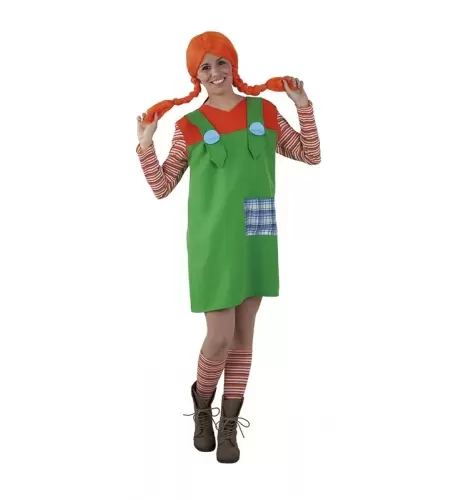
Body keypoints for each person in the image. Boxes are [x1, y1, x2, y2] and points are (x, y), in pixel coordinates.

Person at [135, 31, 321, 464]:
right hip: (212, 237)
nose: (215, 72)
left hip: (257, 228)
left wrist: (303, 106)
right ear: (195, 76)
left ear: (233, 64)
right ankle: (202, 404)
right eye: (205, 67)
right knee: (218, 337)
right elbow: (162, 186)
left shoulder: (264, 111)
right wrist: (145, 144)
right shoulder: (189, 126)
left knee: (242, 336)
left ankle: (228, 425)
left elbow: (310, 154)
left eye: (221, 62)